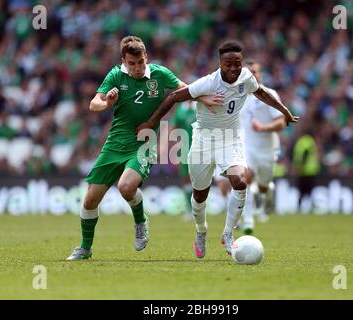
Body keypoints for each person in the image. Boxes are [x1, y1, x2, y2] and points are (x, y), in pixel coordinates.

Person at [136, 41, 298, 258]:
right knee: (199, 195)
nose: (233, 68)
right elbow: (175, 96)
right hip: (204, 140)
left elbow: (260, 93)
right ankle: (201, 230)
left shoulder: (246, 77)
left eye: (237, 64)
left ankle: (228, 233)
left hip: (231, 138)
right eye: (228, 64)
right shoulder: (208, 83)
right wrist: (151, 122)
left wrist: (284, 110)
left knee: (240, 181)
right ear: (220, 63)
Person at [66, 36, 218, 260]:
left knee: (126, 187)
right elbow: (93, 104)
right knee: (90, 200)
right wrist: (107, 102)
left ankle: (140, 221)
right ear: (124, 61)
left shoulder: (160, 74)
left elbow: (186, 90)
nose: (137, 68)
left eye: (140, 63)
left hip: (144, 143)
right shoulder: (116, 76)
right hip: (115, 144)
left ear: (146, 57)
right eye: (132, 64)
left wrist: (204, 98)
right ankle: (85, 249)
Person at [238, 60, 287, 234]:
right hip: (246, 149)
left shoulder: (269, 94)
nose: (253, 75)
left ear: (261, 75)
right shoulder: (239, 96)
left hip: (267, 150)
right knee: (246, 178)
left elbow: (282, 122)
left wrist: (264, 127)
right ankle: (248, 220)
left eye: (256, 72)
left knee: (263, 186)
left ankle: (268, 194)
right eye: (249, 72)